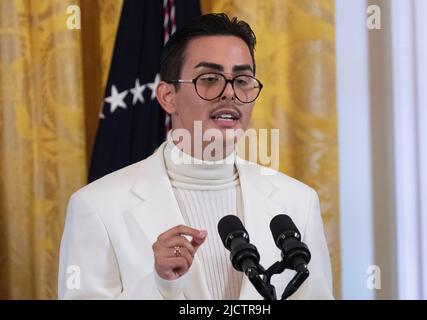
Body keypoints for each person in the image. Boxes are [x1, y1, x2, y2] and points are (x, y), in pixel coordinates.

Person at [58, 13, 333, 300]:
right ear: (167, 96)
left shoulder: (298, 202)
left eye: (242, 80)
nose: (230, 94)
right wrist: (161, 285)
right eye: (210, 78)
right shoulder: (96, 206)